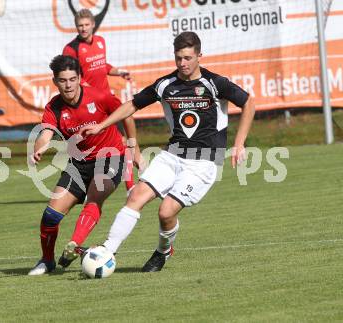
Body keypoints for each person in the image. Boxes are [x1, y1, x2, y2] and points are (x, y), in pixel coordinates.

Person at [80, 31, 255, 272]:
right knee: (135, 197)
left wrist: (240, 143)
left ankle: (163, 250)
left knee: (166, 212)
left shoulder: (214, 83)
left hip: (204, 162)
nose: (182, 63)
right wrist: (101, 125)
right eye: (178, 58)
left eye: (188, 58)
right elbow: (132, 105)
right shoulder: (166, 85)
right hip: (172, 155)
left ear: (199, 56)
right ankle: (107, 250)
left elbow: (248, 102)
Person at [28, 55, 142, 275]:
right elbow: (46, 133)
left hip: (110, 157)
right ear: (55, 82)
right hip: (78, 164)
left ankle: (73, 244)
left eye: (72, 79)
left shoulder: (99, 96)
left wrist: (133, 146)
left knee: (95, 195)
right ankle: (47, 261)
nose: (68, 85)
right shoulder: (54, 107)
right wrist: (39, 147)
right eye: (63, 80)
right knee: (50, 216)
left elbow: (127, 113)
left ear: (79, 78)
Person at [63, 8, 138, 192]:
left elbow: (102, 65)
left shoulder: (100, 41)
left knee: (127, 119)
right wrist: (85, 88)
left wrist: (118, 72)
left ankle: (130, 180)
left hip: (106, 99)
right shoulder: (71, 49)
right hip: (90, 105)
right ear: (76, 27)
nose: (83, 28)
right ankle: (88, 183)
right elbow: (70, 75)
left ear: (93, 25)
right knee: (97, 144)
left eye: (87, 25)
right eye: (80, 26)